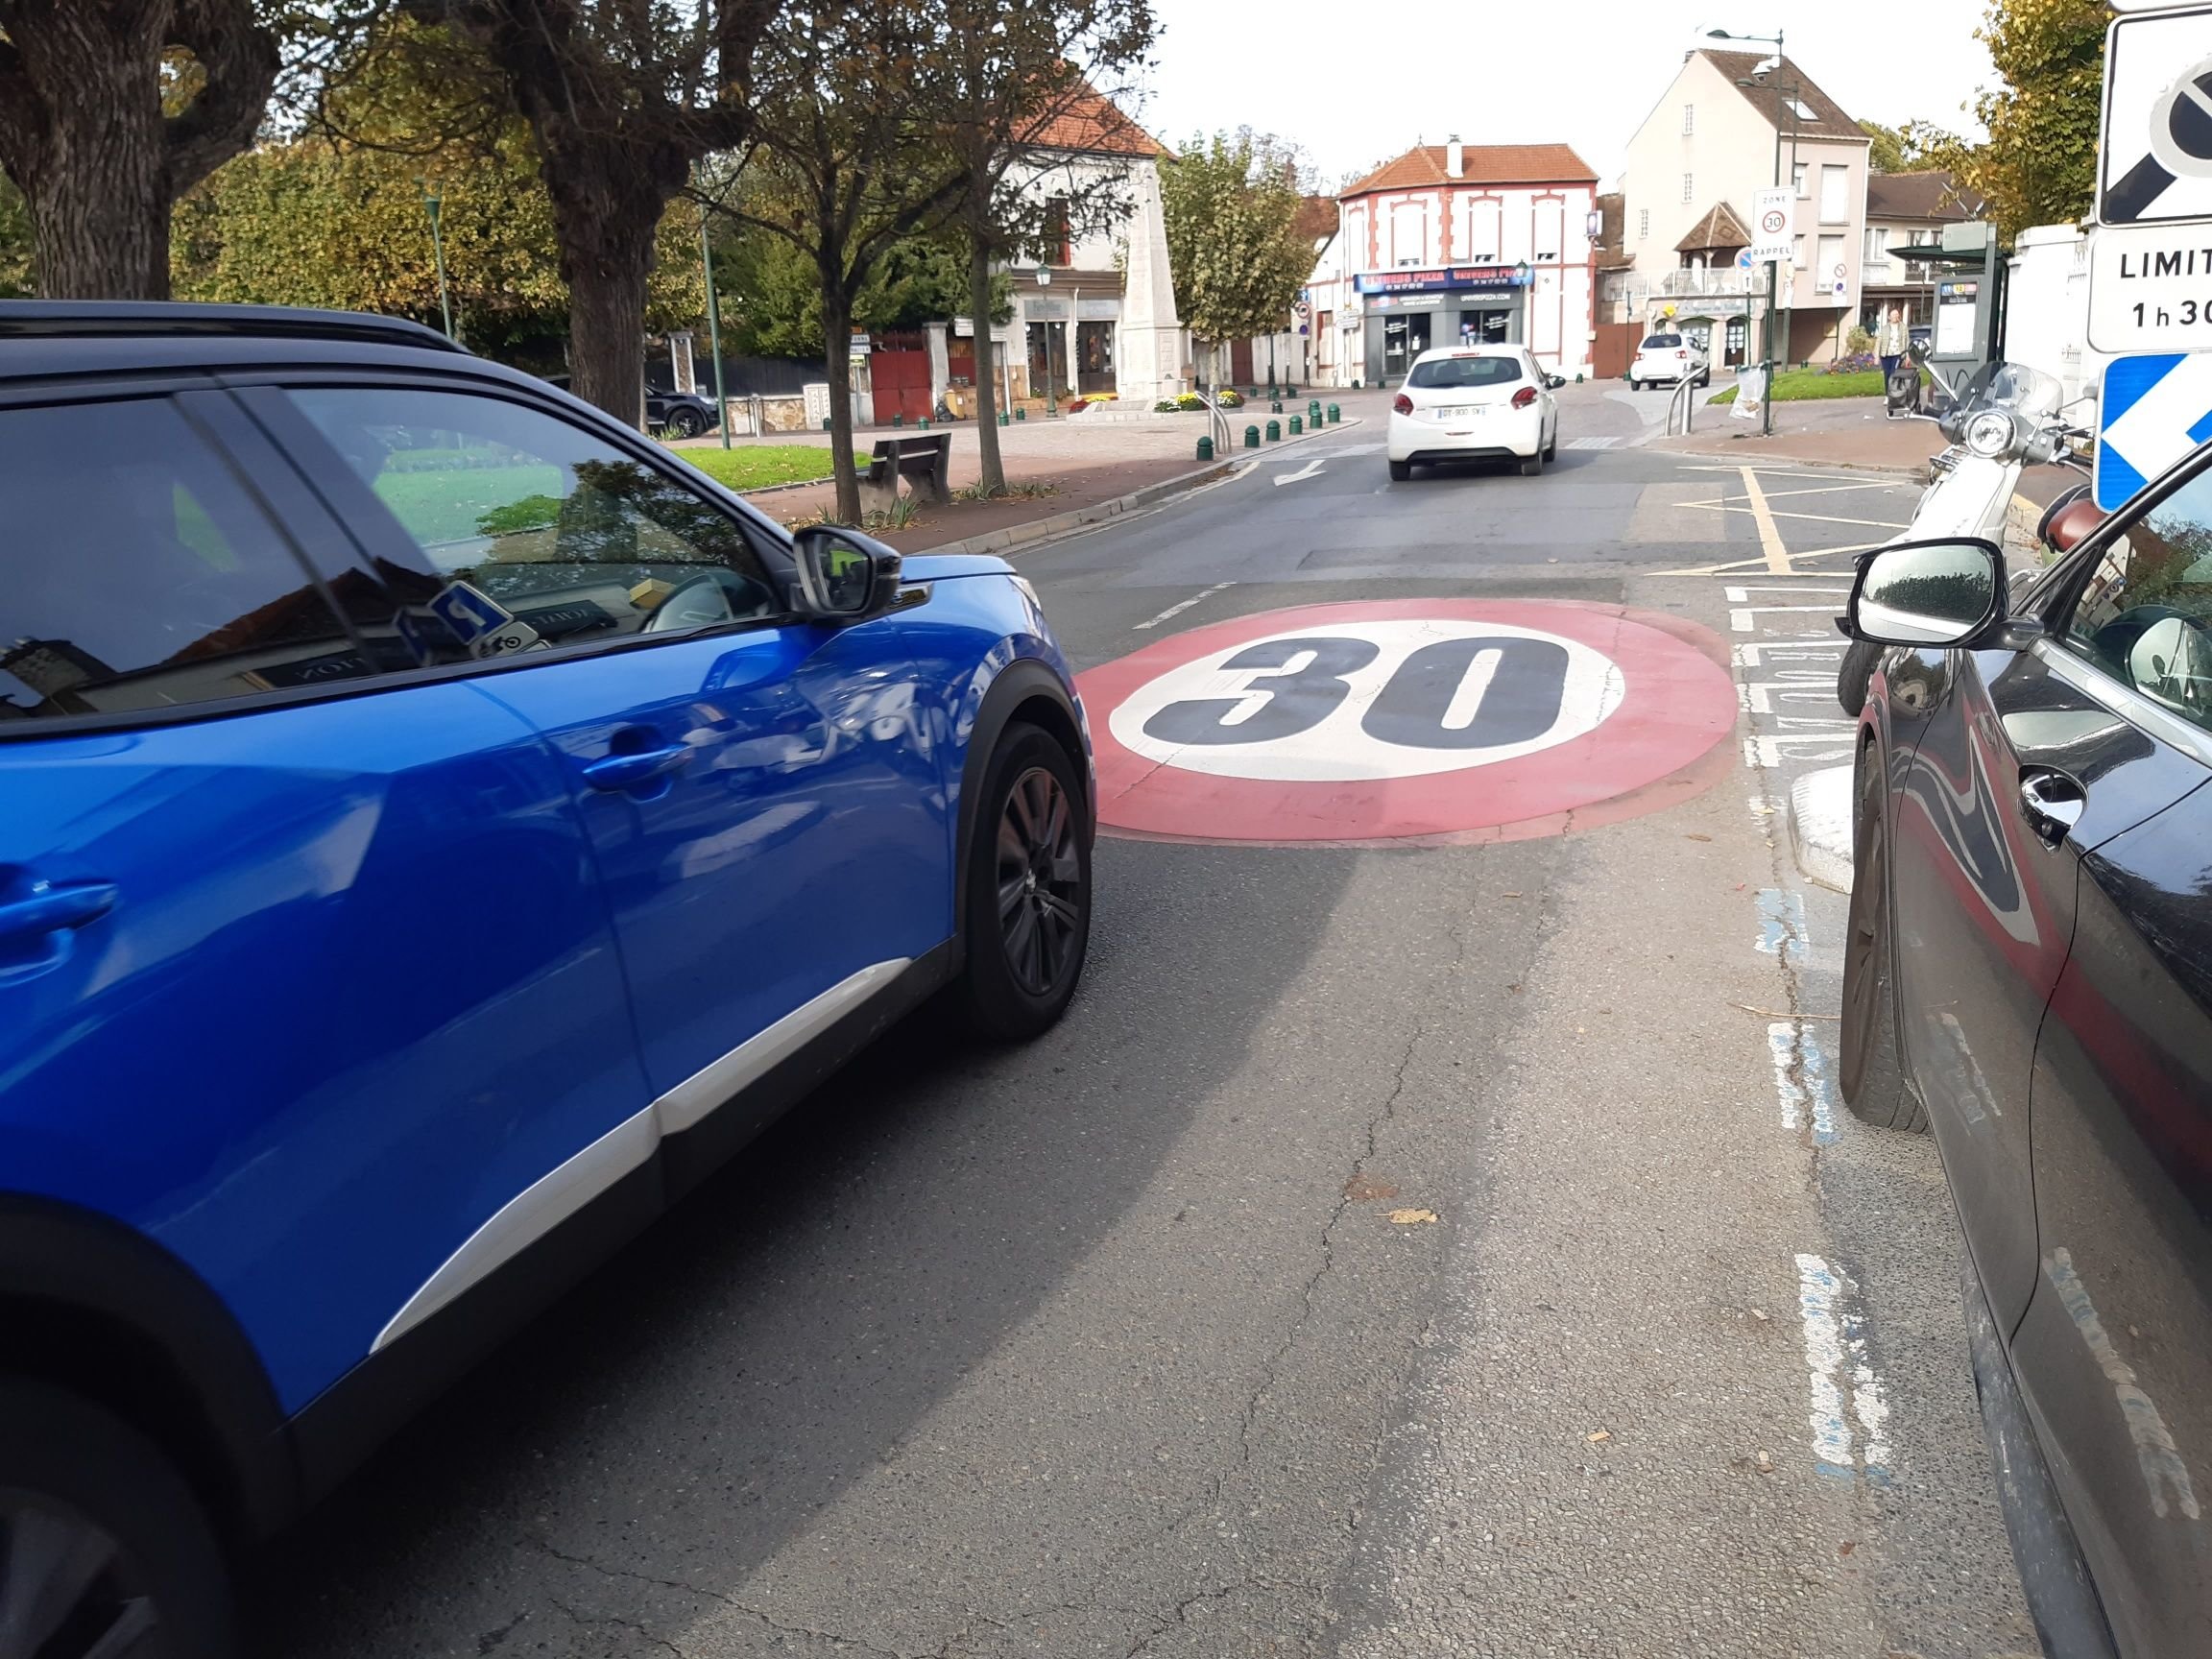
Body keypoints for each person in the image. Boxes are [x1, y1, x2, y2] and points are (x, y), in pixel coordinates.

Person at [1878, 307, 1908, 379]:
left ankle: (1894, 390)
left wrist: (1907, 356)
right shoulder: (1884, 328)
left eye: (1896, 314)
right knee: (1887, 374)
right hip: (1885, 355)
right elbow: (1879, 341)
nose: (1895, 316)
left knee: (1893, 373)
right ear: (1889, 317)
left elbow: (1906, 342)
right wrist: (1876, 356)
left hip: (1897, 354)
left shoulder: (1903, 327)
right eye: (1893, 314)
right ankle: (1888, 390)